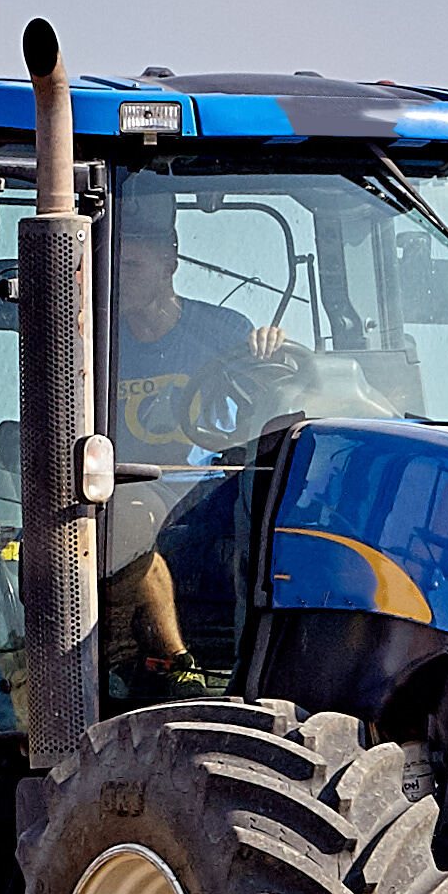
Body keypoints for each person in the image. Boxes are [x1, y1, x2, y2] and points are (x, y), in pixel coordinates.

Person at [99, 191, 304, 694]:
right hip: (123, 487)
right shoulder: (98, 340)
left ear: (170, 261)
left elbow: (264, 396)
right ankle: (145, 660)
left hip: (205, 493)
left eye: (134, 262)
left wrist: (272, 352)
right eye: (115, 263)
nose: (121, 275)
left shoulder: (223, 331)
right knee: (115, 508)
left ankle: (178, 666)